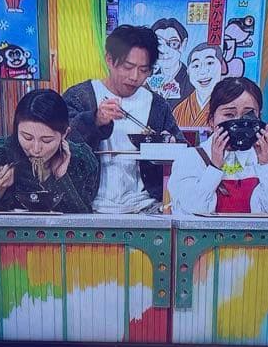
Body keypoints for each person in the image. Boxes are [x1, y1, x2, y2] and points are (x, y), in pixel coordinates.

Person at [63, 24, 185, 214]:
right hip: (88, 206)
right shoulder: (80, 96)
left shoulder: (157, 105)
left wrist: (170, 143)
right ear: (109, 60)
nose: (134, 77)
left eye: (144, 70)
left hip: (145, 206)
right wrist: (95, 120)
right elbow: (60, 142)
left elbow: (181, 150)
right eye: (128, 67)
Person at [168, 78, 268, 215]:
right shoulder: (190, 160)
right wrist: (214, 168)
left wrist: (266, 164)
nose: (238, 122)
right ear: (211, 120)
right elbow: (192, 210)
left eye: (248, 115)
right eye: (229, 114)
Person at [0, 89, 99, 213]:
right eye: (27, 138)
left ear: (64, 134)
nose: (36, 149)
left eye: (46, 140)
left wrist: (60, 177)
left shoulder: (81, 158)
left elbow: (83, 222)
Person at [172, 43, 225, 128]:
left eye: (210, 63)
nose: (202, 72)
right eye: (196, 66)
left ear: (222, 66)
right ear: (188, 71)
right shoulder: (179, 110)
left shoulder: (228, 104)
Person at [148, 17, 192, 105]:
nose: (165, 51)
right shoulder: (147, 79)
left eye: (173, 44)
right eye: (158, 44)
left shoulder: (192, 80)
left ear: (183, 44)